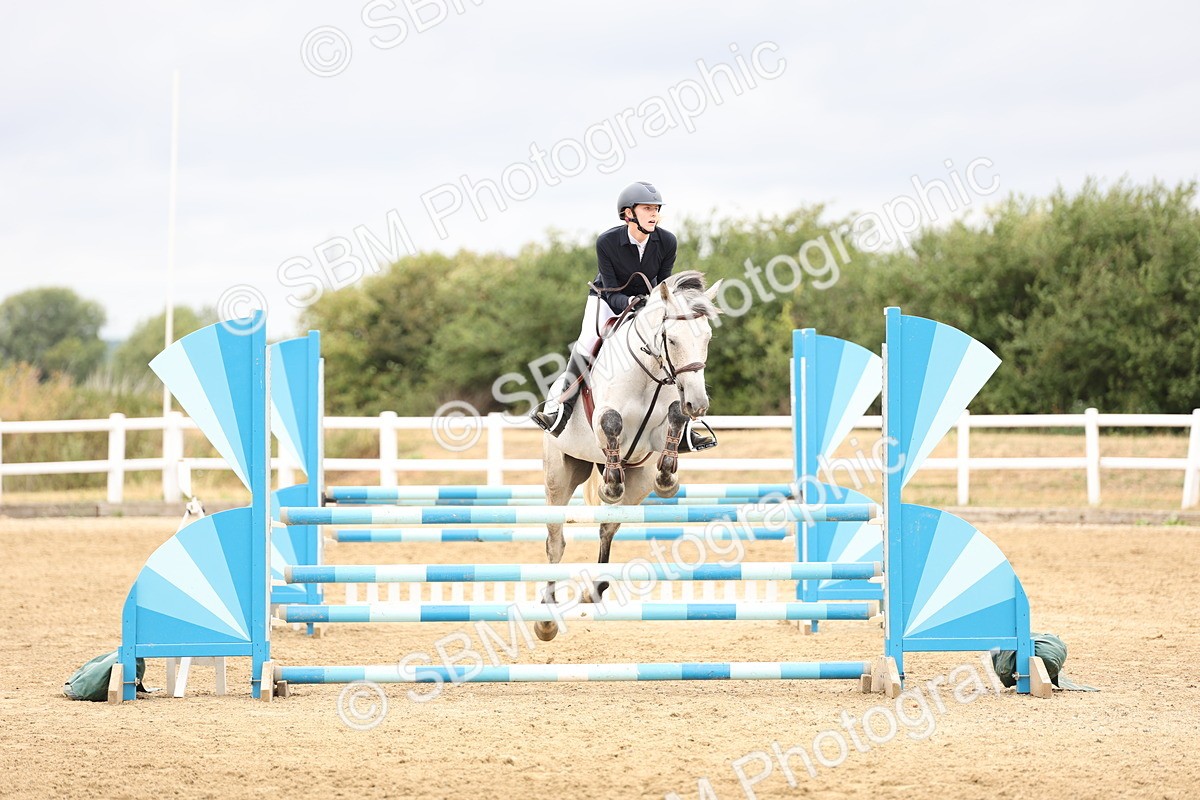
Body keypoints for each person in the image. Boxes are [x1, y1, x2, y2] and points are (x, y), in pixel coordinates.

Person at [530, 181, 716, 451]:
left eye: (656, 209)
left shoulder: (666, 241)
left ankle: (684, 427)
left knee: (674, 345)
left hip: (651, 303)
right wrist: (629, 301)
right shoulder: (607, 242)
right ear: (629, 214)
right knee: (587, 341)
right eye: (647, 209)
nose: (653, 214)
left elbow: (664, 286)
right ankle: (560, 411)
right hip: (607, 299)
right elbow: (608, 288)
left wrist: (658, 306)